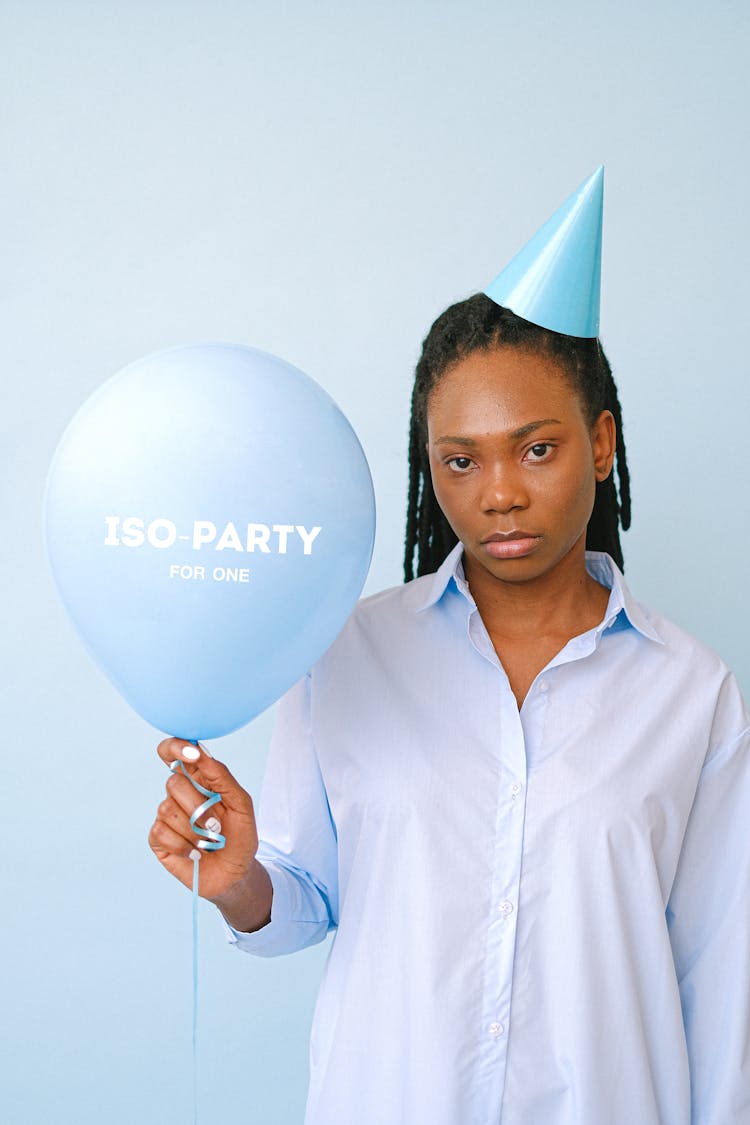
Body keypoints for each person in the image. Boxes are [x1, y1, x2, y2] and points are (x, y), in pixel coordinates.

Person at [149, 180, 750, 1124]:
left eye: (536, 450)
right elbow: (305, 900)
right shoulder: (347, 651)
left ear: (600, 442)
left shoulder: (693, 692)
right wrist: (242, 884)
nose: (497, 493)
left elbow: (723, 978)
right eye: (459, 460)